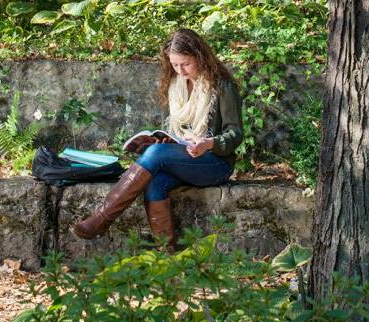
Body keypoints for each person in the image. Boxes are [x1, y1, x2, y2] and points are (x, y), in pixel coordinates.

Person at [72, 28, 243, 249]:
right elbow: (173, 129)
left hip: (214, 163)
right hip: (185, 158)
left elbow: (235, 134)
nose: (180, 70)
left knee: (155, 156)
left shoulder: (222, 86)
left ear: (200, 57)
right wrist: (161, 140)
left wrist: (208, 143)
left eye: (185, 64)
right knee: (154, 181)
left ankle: (101, 219)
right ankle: (168, 253)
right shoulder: (176, 86)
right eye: (174, 65)